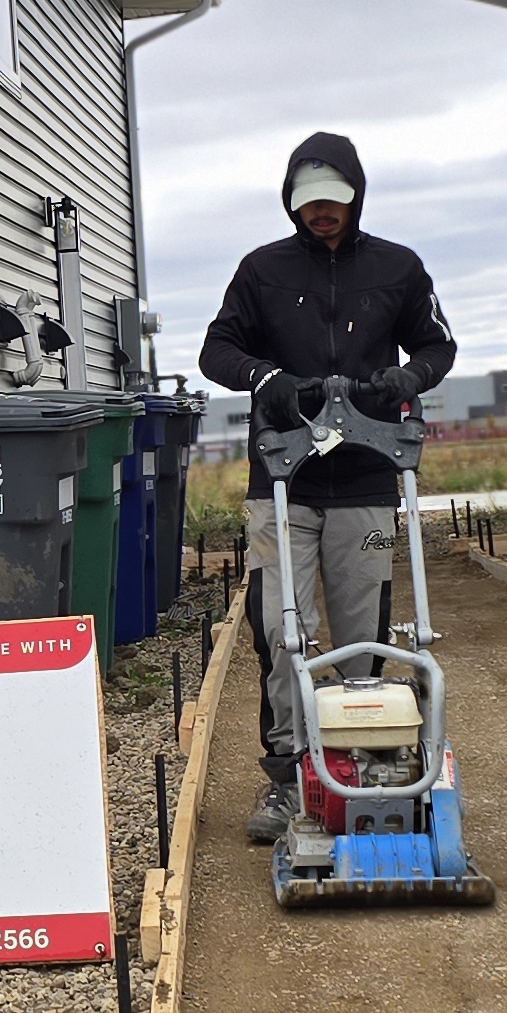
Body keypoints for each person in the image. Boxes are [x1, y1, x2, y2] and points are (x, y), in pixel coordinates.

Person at [197, 132, 458, 841]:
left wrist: (412, 376)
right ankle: (287, 777)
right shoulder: (262, 271)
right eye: (309, 201)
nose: (322, 213)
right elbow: (217, 350)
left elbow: (438, 344)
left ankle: (364, 762)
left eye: (334, 201)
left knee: (362, 633)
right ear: (292, 201)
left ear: (356, 197)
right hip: (283, 474)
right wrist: (268, 379)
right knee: (281, 630)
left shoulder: (398, 268)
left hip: (368, 474)